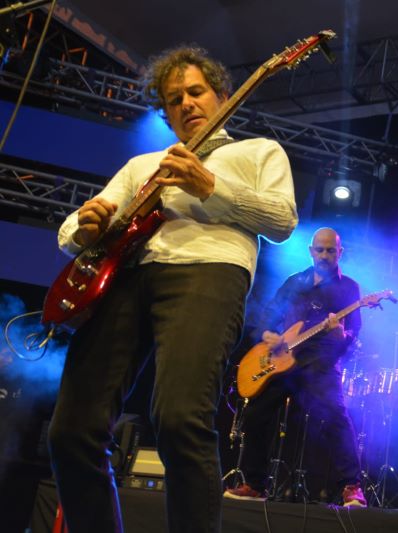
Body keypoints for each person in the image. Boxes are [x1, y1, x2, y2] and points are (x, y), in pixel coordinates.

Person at [47, 45, 298, 533]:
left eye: (196, 92)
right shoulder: (143, 165)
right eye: (173, 99)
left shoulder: (258, 151)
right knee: (71, 430)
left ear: (222, 94)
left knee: (181, 419)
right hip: (126, 279)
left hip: (209, 270)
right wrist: (86, 226)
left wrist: (210, 186)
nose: (186, 103)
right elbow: (71, 231)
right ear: (164, 113)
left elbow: (283, 221)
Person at [223, 227, 366, 507]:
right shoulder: (294, 282)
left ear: (340, 252)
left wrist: (341, 334)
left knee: (334, 414)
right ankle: (255, 485)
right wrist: (267, 334)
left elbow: (354, 332)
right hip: (282, 358)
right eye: (319, 250)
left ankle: (352, 486)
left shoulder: (349, 288)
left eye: (330, 250)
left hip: (320, 361)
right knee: (255, 413)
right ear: (311, 251)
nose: (324, 255)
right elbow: (268, 314)